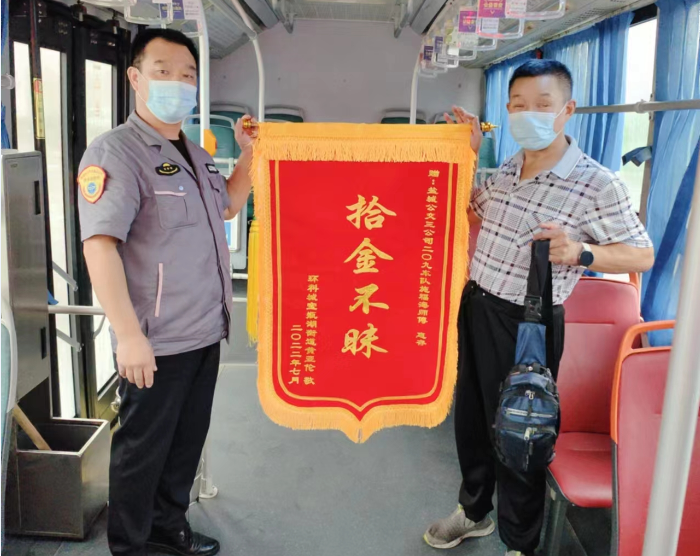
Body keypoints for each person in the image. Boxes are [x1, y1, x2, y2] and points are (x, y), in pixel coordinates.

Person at [424, 60, 655, 556]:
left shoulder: (596, 183)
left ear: (567, 110)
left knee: (520, 431)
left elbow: (642, 254)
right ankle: (474, 511)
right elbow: (470, 213)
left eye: (542, 105)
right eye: (519, 105)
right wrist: (466, 155)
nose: (529, 113)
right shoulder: (511, 166)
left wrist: (581, 252)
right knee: (472, 422)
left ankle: (520, 542)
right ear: (507, 111)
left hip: (527, 323)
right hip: (477, 306)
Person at [77, 28, 256, 556]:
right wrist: (128, 336)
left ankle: (167, 528)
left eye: (187, 75)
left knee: (184, 445)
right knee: (142, 450)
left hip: (204, 330)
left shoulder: (196, 154)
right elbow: (99, 247)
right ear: (135, 78)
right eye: (163, 72)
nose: (177, 83)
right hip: (155, 339)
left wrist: (249, 155)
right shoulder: (117, 152)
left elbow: (227, 205)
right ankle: (131, 546)